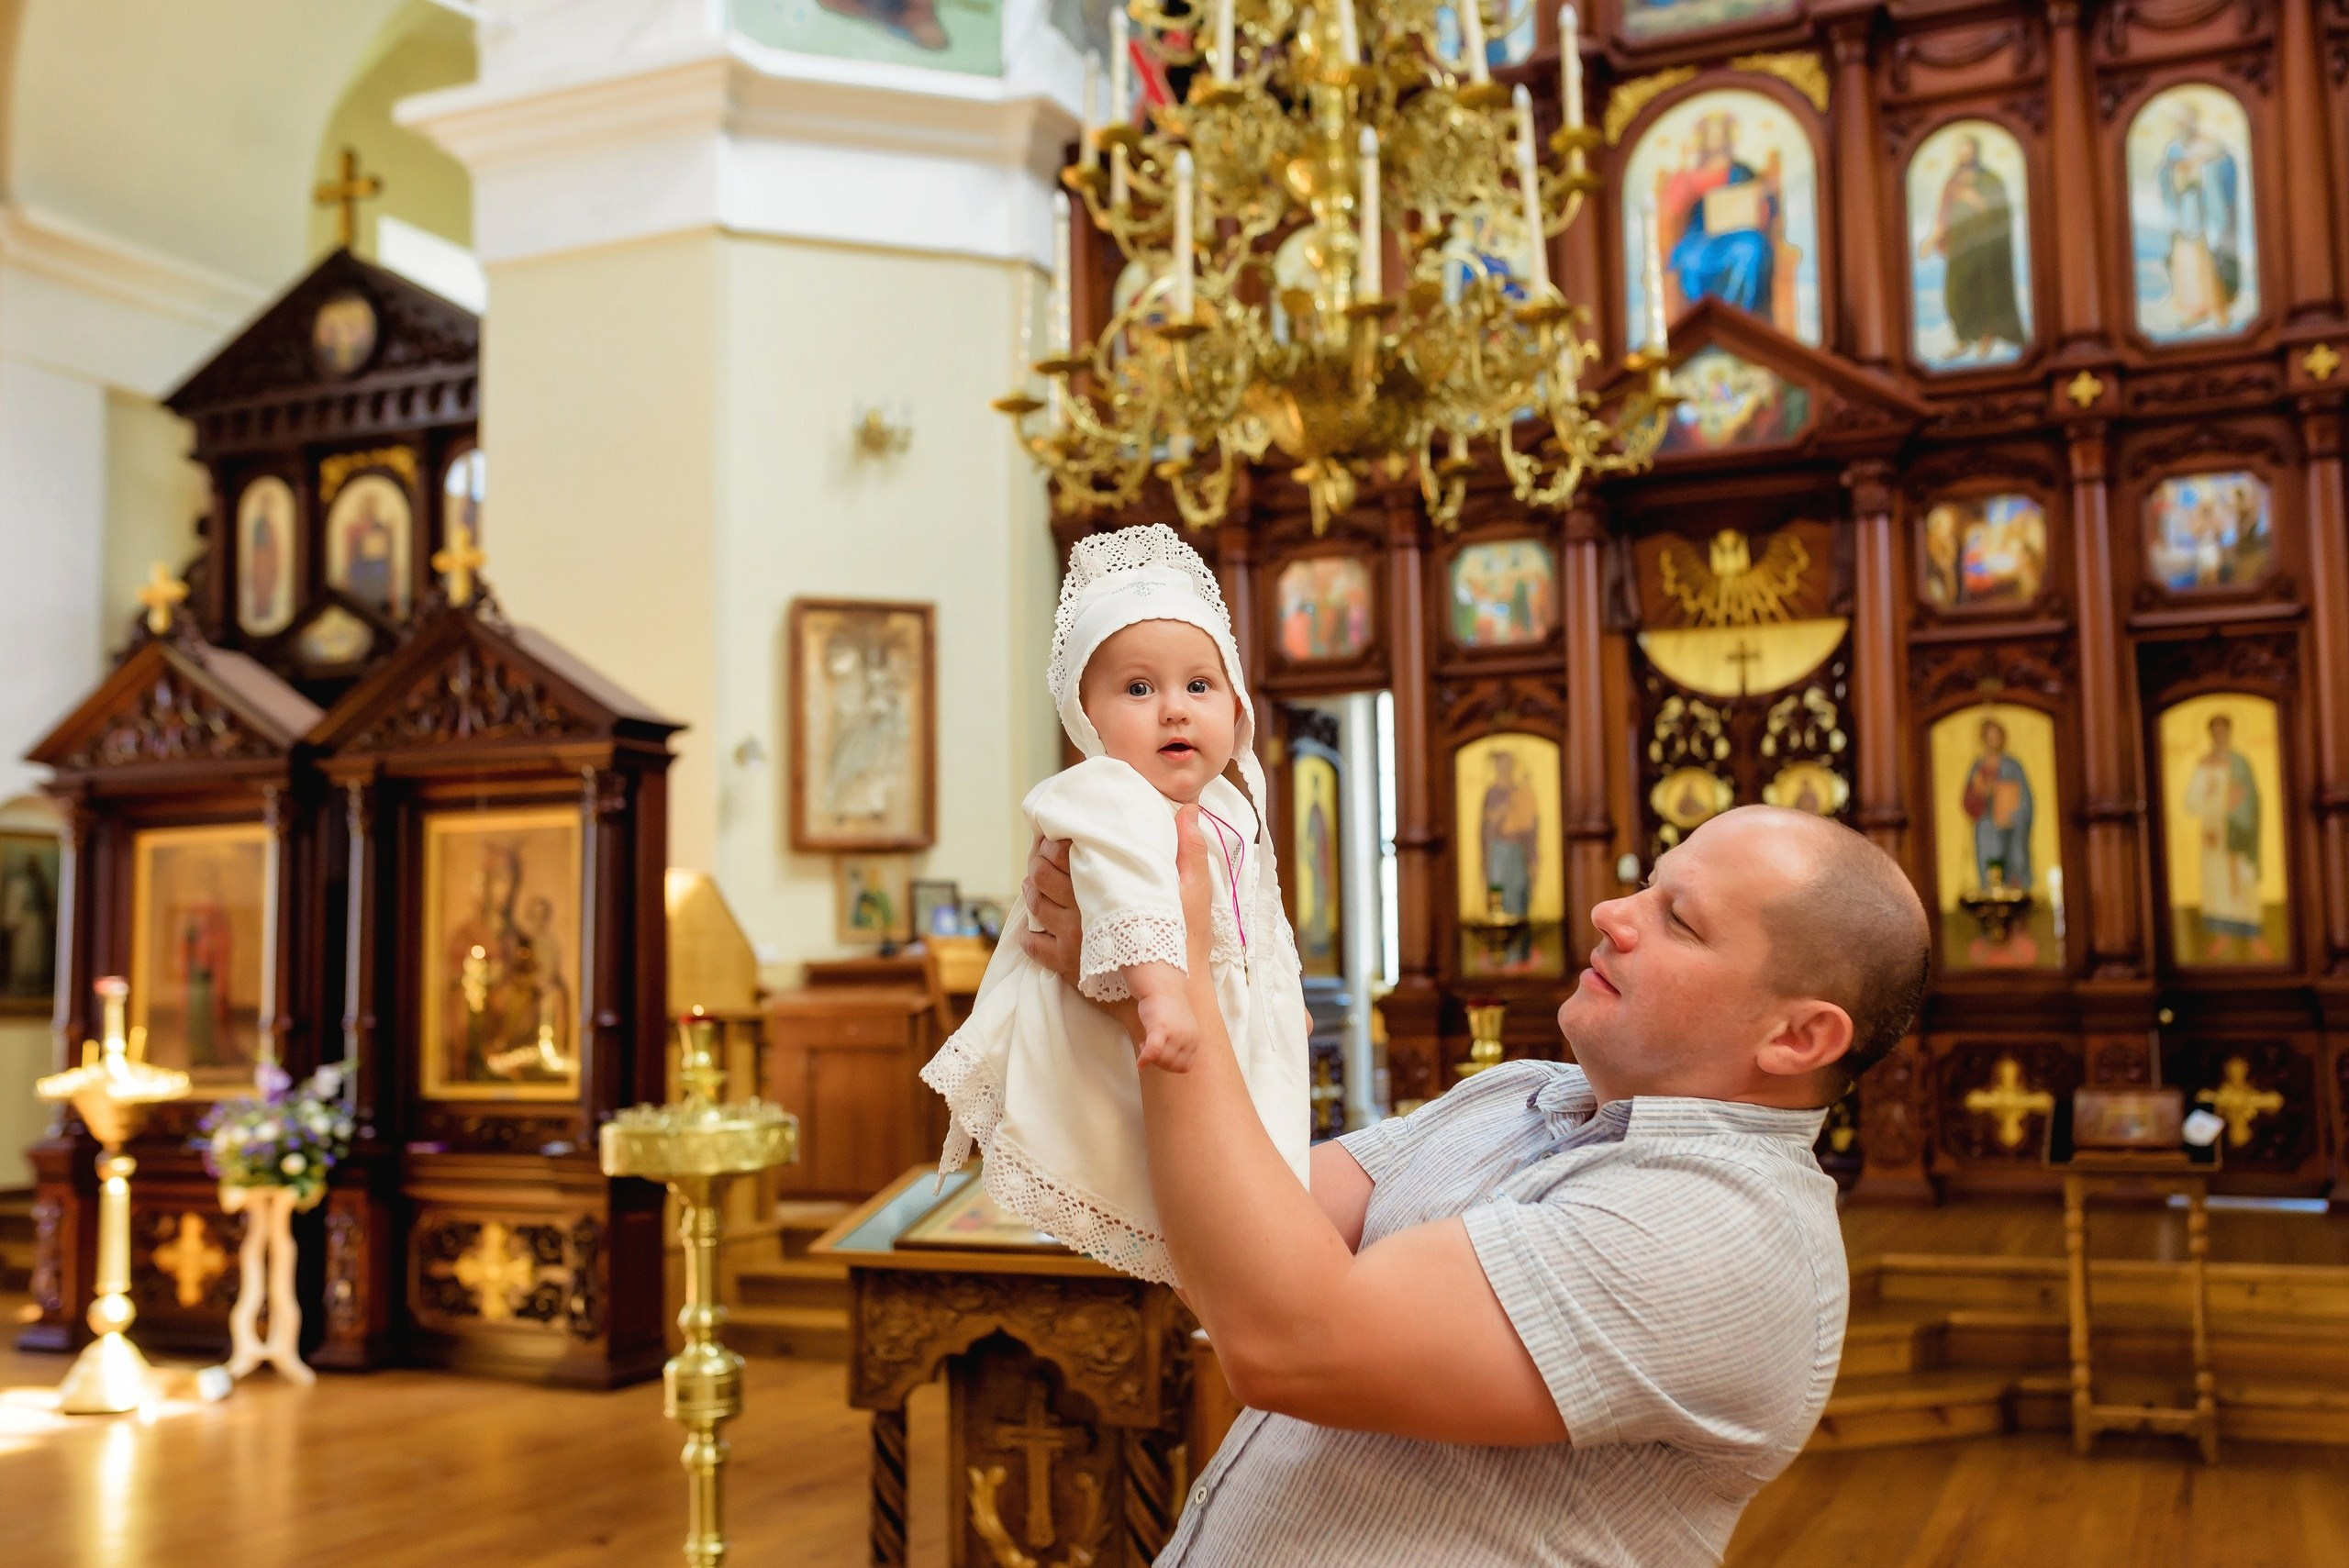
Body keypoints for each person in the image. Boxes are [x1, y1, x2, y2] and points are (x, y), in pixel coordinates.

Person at [1019, 803, 1931, 1565]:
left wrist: (1177, 992)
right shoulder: (1516, 1093)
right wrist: (1131, 988)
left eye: (1679, 920)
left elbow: (1284, 1337)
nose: (1614, 911)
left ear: (1798, 1038)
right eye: (1646, 883)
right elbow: (1234, 1237)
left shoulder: (1725, 1230)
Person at [921, 524, 1311, 1285]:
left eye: (1199, 686)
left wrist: (1279, 994)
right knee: (1146, 1160)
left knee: (1251, 1191)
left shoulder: (1230, 805)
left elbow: (1263, 911)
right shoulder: (1108, 795)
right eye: (1139, 688)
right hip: (1129, 1004)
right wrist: (1164, 999)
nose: (1173, 709)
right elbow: (1126, 888)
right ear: (1085, 715)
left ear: (1234, 704)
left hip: (1212, 1019)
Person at [1918, 131, 2026, 361]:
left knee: (1984, 290)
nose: (1964, 156)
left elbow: (2000, 211)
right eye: (1961, 151)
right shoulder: (1952, 181)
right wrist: (1931, 239)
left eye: (1968, 151)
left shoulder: (1991, 179)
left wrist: (1976, 200)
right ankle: (1963, 338)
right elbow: (1943, 215)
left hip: (1985, 249)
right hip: (1960, 248)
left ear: (1976, 153)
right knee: (1956, 292)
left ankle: (1987, 336)